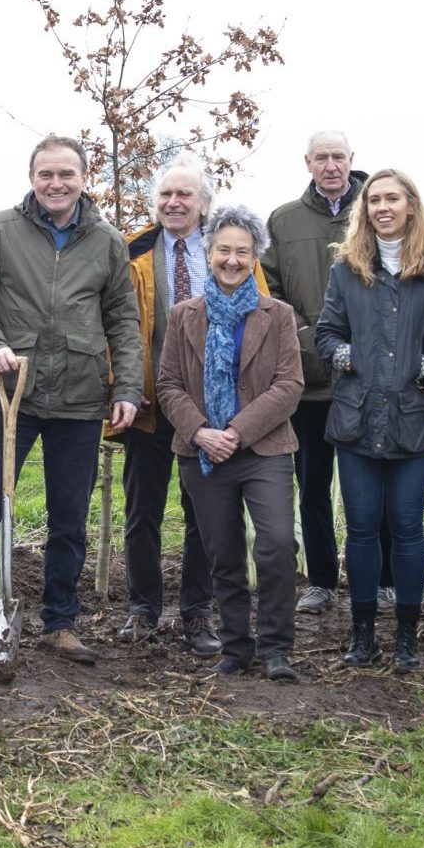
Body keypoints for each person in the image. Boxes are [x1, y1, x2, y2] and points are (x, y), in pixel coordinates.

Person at [0, 136, 141, 671]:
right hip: (10, 392)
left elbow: (123, 320)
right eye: (46, 173)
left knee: (69, 517)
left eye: (66, 173)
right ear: (31, 177)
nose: (56, 183)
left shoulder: (108, 241)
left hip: (80, 395)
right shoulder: (0, 229)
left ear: (84, 178)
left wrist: (129, 388)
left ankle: (60, 624)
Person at [315, 169, 424, 674]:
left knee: (406, 529)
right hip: (356, 418)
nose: (382, 207)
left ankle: (405, 634)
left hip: (410, 421)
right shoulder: (347, 268)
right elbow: (326, 332)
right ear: (365, 209)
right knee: (359, 530)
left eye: (392, 199)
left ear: (410, 206)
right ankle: (361, 635)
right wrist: (346, 356)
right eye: (374, 199)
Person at [158, 204, 305, 679]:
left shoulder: (277, 315)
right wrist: (200, 431)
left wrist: (237, 432)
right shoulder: (183, 316)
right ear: (210, 251)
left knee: (278, 545)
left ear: (256, 257)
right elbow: (168, 385)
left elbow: (289, 385)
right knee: (222, 552)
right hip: (203, 453)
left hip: (263, 450)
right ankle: (236, 648)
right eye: (224, 249)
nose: (232, 260)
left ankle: (277, 647)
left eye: (243, 251)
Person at [260, 130, 370, 618]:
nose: (331, 166)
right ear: (307, 163)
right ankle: (322, 580)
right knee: (312, 485)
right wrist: (305, 335)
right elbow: (270, 287)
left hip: (369, 379)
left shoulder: (379, 209)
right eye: (321, 157)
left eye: (338, 157)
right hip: (308, 379)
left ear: (352, 160)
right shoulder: (284, 220)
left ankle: (380, 578)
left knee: (370, 483)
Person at [115, 156, 222, 653]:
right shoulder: (131, 250)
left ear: (204, 203)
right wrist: (124, 388)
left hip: (209, 411)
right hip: (149, 404)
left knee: (204, 513)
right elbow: (112, 325)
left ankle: (198, 612)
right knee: (142, 512)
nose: (174, 203)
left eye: (185, 195)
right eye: (166, 195)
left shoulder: (229, 250)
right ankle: (143, 609)